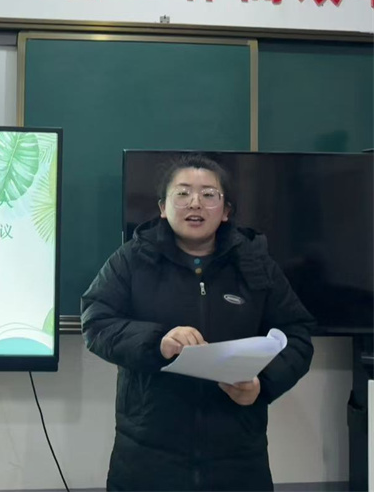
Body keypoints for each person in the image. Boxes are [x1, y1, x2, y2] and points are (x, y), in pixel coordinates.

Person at [81, 153, 315, 492]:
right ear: (163, 207)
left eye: (208, 194)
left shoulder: (256, 265)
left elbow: (298, 333)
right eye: (182, 193)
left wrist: (262, 385)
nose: (195, 203)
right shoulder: (132, 260)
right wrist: (158, 341)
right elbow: (96, 321)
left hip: (237, 457)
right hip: (146, 454)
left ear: (226, 211)